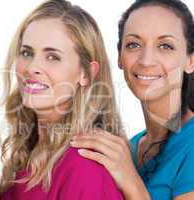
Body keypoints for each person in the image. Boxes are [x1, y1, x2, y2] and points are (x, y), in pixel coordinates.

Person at [0, 0, 125, 199]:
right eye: (27, 53)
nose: (31, 67)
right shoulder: (30, 154)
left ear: (86, 74)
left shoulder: (84, 165)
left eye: (53, 57)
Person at [70, 0, 194, 199]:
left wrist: (132, 183)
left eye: (165, 46)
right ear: (119, 57)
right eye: (133, 44)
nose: (146, 60)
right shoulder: (129, 148)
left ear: (190, 61)